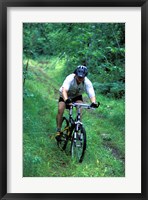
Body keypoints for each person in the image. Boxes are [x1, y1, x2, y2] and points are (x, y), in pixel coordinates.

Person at [55, 65, 98, 141]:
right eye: (78, 77)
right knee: (60, 109)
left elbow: (91, 93)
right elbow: (64, 90)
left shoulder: (87, 82)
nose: (80, 79)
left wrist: (93, 102)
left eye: (82, 77)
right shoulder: (70, 78)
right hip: (65, 95)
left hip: (76, 96)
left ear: (85, 76)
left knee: (80, 109)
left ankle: (78, 128)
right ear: (75, 74)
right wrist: (66, 100)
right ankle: (58, 130)